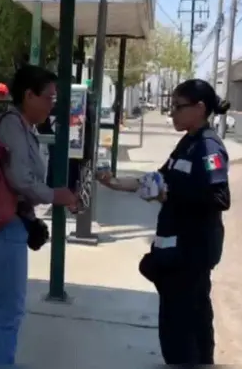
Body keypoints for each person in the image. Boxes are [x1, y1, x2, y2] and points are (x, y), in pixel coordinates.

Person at [96, 79, 231, 365]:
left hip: (192, 252)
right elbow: (160, 179)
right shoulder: (188, 143)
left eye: (178, 107)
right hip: (176, 252)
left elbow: (220, 197)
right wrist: (117, 183)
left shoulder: (208, 148)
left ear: (199, 108)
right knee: (174, 324)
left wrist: (171, 194)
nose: (172, 114)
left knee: (187, 327)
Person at [0, 65, 78, 366]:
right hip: (3, 227)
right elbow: (20, 179)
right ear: (28, 95)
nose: (52, 104)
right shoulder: (12, 125)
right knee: (9, 310)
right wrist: (53, 195)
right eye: (48, 97)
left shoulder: (24, 127)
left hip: (10, 224)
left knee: (7, 308)